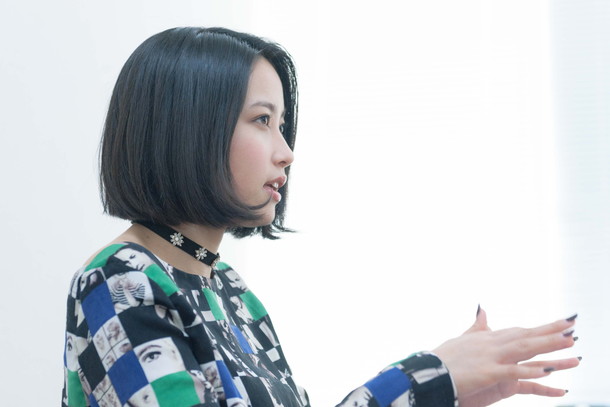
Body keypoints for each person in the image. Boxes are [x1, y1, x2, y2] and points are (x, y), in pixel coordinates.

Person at [61, 27, 580, 407]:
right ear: (189, 128)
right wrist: (423, 378)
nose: (286, 152)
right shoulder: (120, 280)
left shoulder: (232, 292)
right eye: (262, 120)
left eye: (281, 125)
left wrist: (439, 393)